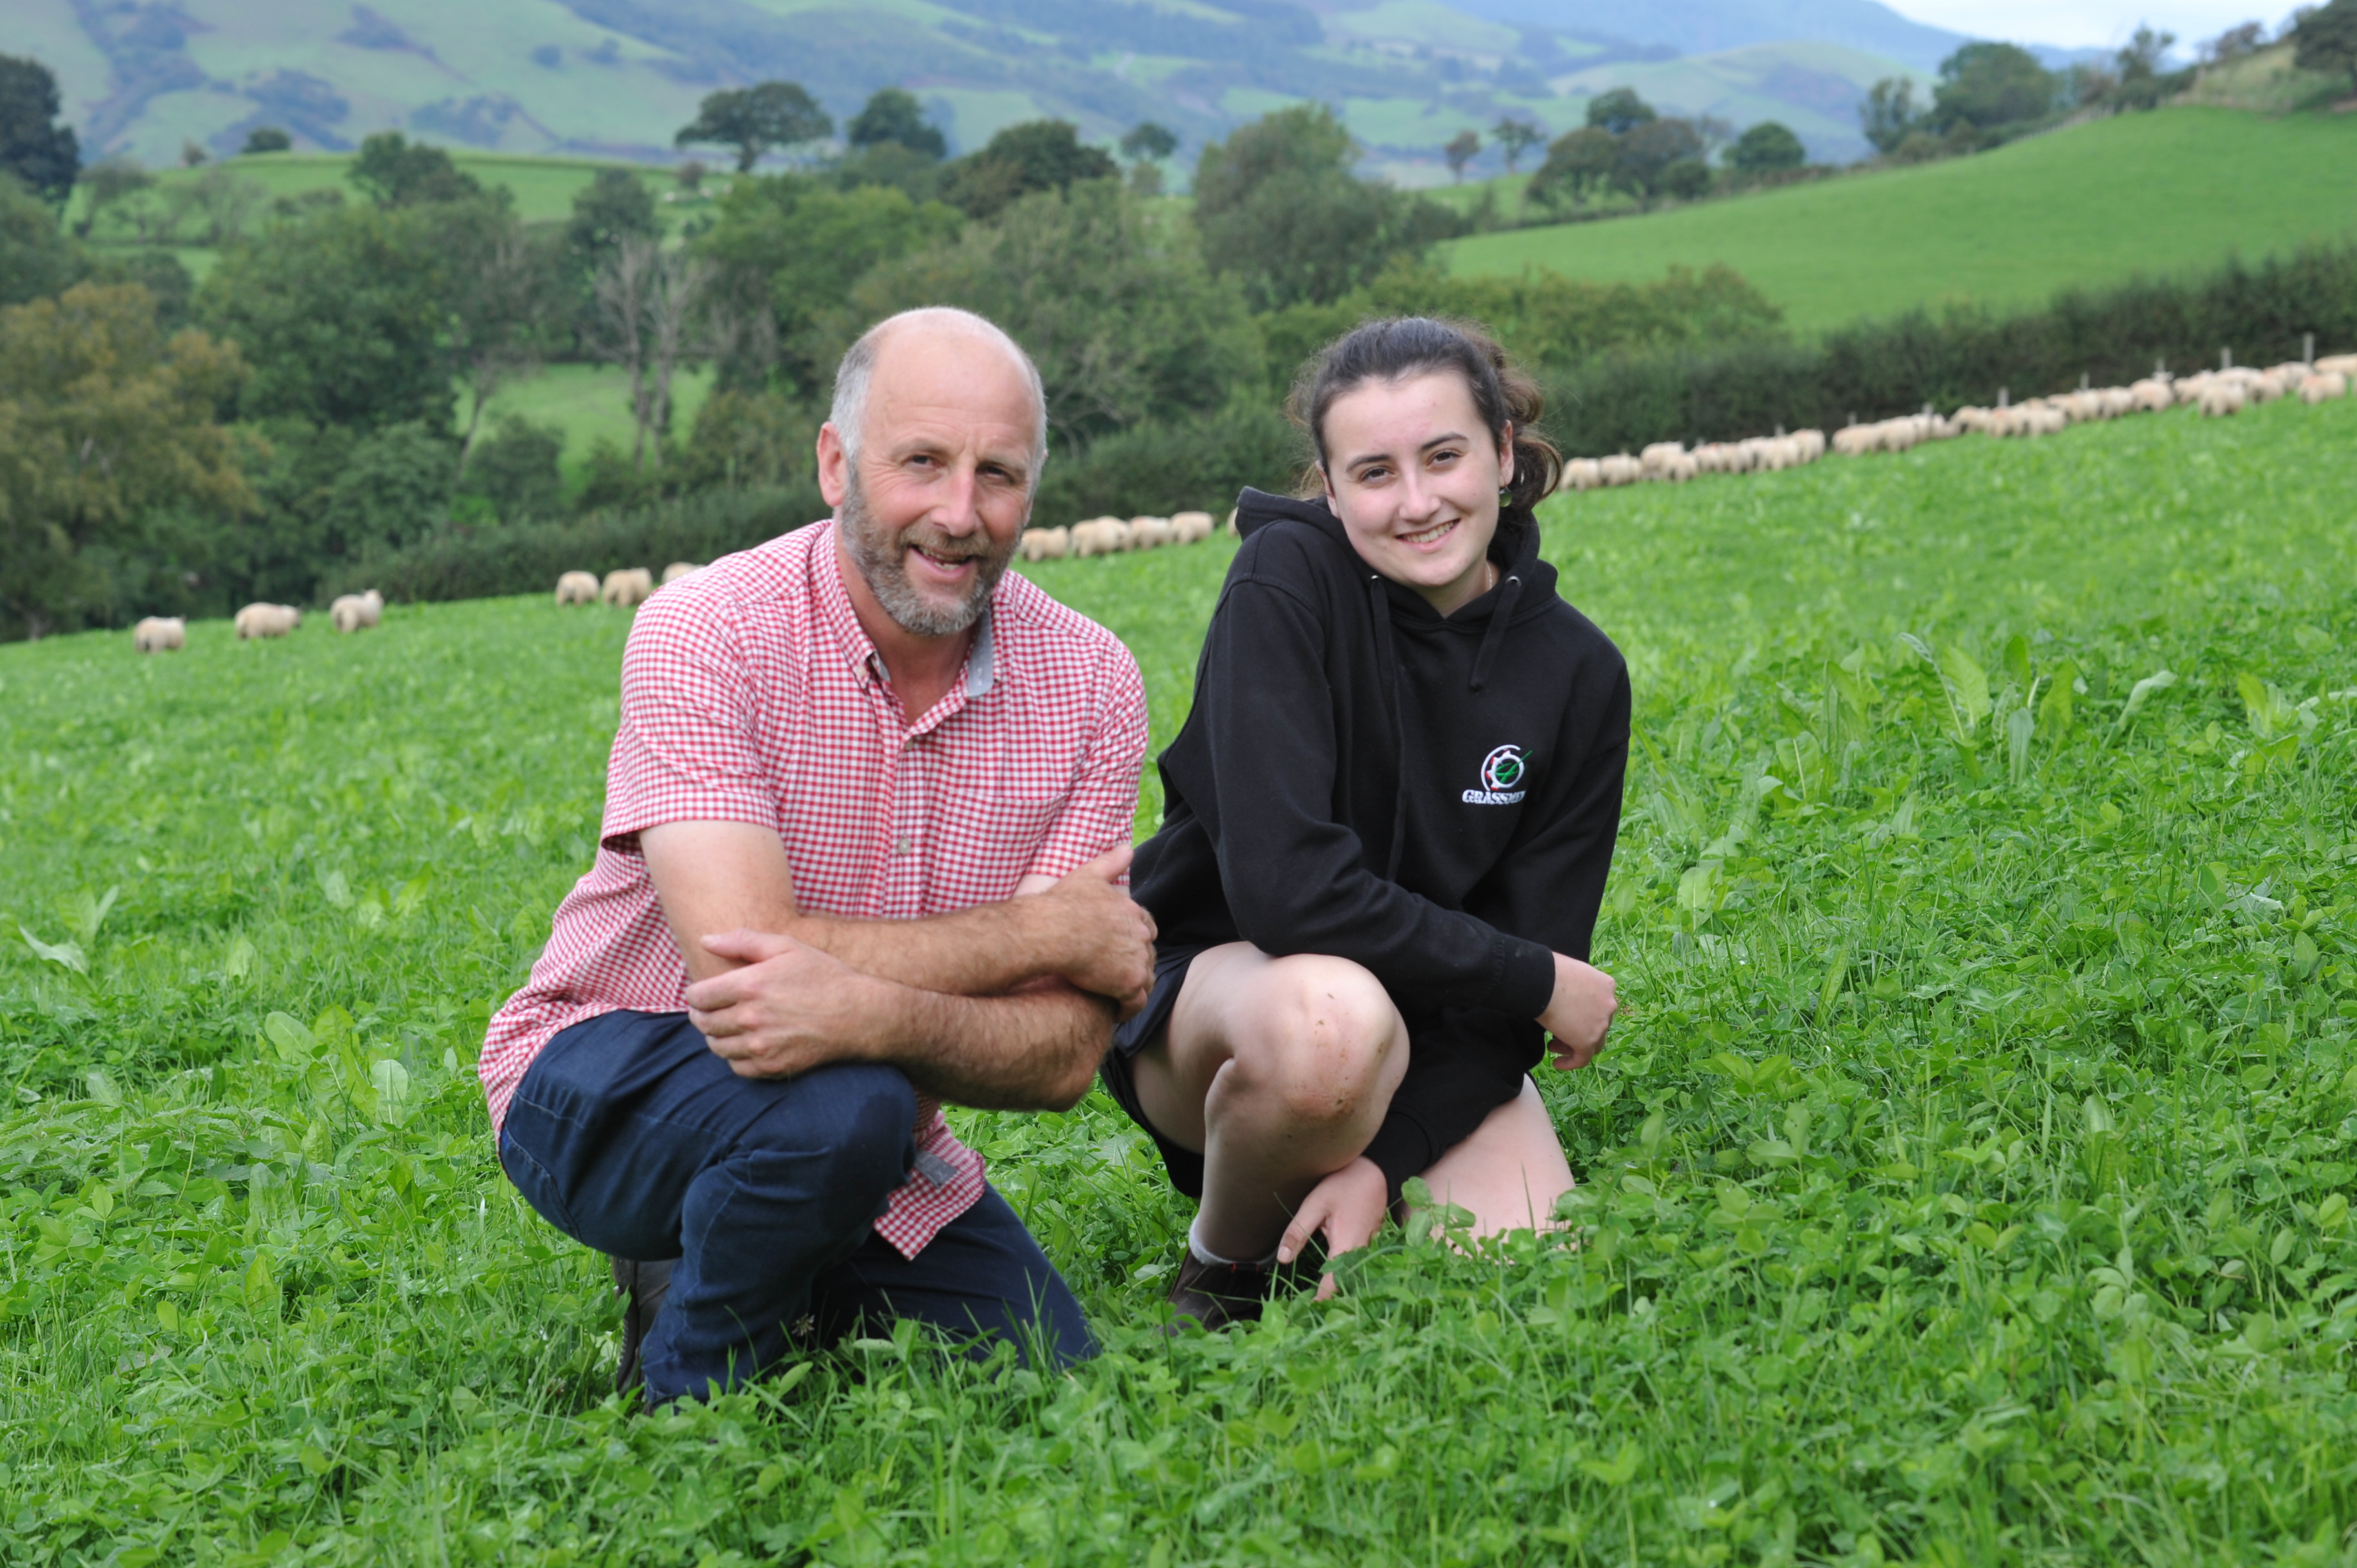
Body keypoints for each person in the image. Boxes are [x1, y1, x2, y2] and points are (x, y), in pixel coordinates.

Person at [478, 307, 1154, 1404]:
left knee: (1043, 1364)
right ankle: (695, 1390)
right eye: (921, 462)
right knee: (845, 1111)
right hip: (613, 1068)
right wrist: (1040, 935)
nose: (959, 514)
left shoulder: (1091, 684)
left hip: (876, 1129)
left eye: (998, 474)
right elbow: (745, 971)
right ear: (836, 465)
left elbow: (1064, 1058)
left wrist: (871, 1017)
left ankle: (781, 1249)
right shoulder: (708, 629)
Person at [1100, 316, 1630, 1327]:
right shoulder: (1284, 584)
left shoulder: (1580, 674)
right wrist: (1536, 979)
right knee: (1332, 1030)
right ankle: (1228, 1266)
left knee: (1521, 1283)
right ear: (1332, 489)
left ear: (1503, 453)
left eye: (1444, 456)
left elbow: (1514, 990)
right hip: (1232, 1003)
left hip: (1429, 1028)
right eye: (1376, 473)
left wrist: (1386, 1162)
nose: (1418, 502)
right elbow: (1288, 893)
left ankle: (1341, 1188)